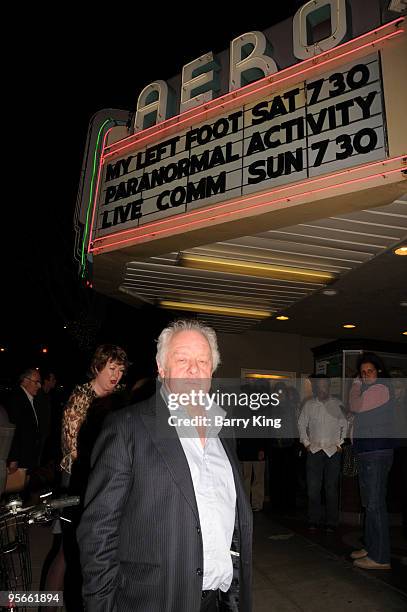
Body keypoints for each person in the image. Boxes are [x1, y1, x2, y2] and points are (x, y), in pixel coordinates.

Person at [78, 319, 253, 612]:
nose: (194, 369)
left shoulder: (224, 430)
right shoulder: (127, 428)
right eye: (182, 359)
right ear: (162, 369)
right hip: (154, 599)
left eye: (203, 361)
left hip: (220, 599)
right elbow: (98, 531)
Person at [40, 344, 129, 612]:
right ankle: (48, 605)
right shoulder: (82, 396)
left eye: (121, 370)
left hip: (101, 478)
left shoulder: (115, 399)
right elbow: (72, 448)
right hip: (78, 480)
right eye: (112, 368)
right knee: (69, 549)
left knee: (84, 547)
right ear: (97, 367)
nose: (116, 375)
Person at [349, 352, 395, 570]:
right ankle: (371, 546)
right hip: (370, 452)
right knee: (370, 503)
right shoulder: (373, 391)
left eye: (370, 371)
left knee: (375, 505)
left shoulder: (380, 388)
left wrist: (355, 385)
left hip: (375, 453)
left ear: (379, 372)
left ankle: (380, 557)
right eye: (362, 372)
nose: (366, 375)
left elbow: (355, 406)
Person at [298, 375, 347, 532]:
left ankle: (332, 522)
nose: (322, 389)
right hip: (314, 450)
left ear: (329, 387)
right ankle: (314, 519)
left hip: (333, 451)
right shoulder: (309, 405)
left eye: (325, 386)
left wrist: (341, 443)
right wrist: (306, 443)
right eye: (319, 386)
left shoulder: (338, 404)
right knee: (313, 488)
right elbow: (301, 424)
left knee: (331, 488)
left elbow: (345, 424)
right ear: (315, 387)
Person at [6, 368, 42, 478]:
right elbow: (14, 430)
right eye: (36, 382)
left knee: (22, 489)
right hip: (19, 459)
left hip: (26, 457)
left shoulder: (28, 398)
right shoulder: (17, 398)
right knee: (14, 491)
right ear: (25, 381)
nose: (39, 386)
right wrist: (13, 459)